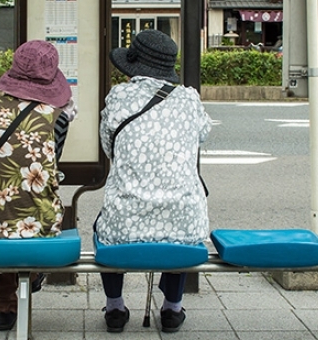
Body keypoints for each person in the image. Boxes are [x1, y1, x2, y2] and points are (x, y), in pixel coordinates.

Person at [94, 29, 211, 333]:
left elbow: (111, 148)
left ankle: (115, 307)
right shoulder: (188, 98)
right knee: (181, 218)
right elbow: (202, 134)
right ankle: (172, 309)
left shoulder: (119, 96)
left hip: (126, 221)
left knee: (103, 226)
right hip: (184, 222)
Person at [0, 39, 76, 331]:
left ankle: (3, 308)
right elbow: (51, 163)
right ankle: (31, 277)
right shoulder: (57, 118)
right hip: (38, 220)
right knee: (30, 206)